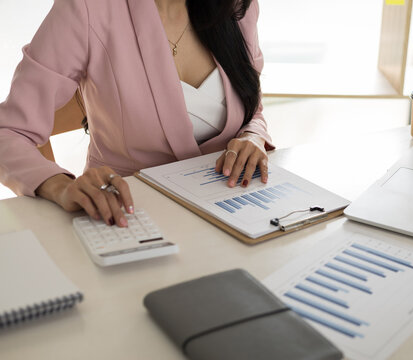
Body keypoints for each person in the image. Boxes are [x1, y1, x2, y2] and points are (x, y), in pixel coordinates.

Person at [0, 0, 273, 228]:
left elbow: (252, 109)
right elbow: (8, 131)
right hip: (126, 218)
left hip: (236, 212)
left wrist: (252, 137)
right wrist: (59, 186)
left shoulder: (236, 6)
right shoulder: (86, 9)